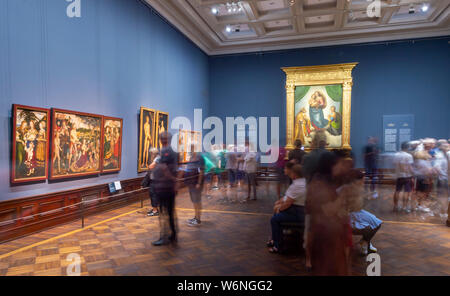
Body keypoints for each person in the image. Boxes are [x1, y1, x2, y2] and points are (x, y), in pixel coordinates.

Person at [305, 151, 350, 275]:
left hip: (331, 236)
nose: (340, 167)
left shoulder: (328, 182)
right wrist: (343, 196)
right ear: (329, 166)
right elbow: (328, 210)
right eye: (338, 164)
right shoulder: (318, 185)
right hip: (325, 238)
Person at [267, 163, 306, 253]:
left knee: (274, 219)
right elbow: (288, 198)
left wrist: (279, 209)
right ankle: (274, 239)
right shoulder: (303, 181)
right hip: (302, 210)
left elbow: (288, 203)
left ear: (294, 174)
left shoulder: (297, 185)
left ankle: (278, 246)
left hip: (298, 212)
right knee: (277, 213)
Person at [151, 131, 179, 246]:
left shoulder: (167, 152)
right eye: (162, 138)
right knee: (169, 212)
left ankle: (165, 237)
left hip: (165, 187)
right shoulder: (170, 151)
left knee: (164, 212)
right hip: (166, 187)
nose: (162, 140)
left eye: (163, 138)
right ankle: (172, 234)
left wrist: (167, 175)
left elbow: (166, 169)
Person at [182, 144, 205, 226]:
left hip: (196, 183)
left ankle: (198, 219)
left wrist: (199, 183)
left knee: (197, 201)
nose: (190, 150)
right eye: (190, 148)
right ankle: (195, 217)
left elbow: (201, 171)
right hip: (191, 183)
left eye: (192, 148)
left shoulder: (200, 157)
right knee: (194, 201)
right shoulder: (192, 157)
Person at [393, 142, 414, 212]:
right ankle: (404, 207)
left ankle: (395, 206)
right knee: (406, 192)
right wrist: (412, 174)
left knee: (397, 191)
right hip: (407, 176)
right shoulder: (409, 156)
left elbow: (395, 164)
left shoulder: (396, 155)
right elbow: (410, 167)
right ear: (407, 147)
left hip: (398, 176)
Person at [142, 148, 160, 217]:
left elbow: (150, 166)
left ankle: (155, 211)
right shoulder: (158, 159)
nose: (150, 155)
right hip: (155, 180)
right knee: (154, 195)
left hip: (156, 181)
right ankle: (155, 209)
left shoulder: (157, 159)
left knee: (153, 195)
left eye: (151, 154)